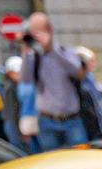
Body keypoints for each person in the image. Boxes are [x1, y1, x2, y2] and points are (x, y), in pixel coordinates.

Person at [16, 12, 92, 150]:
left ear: (50, 30)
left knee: (80, 159)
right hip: (46, 120)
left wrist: (52, 49)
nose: (37, 35)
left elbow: (76, 71)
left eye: (41, 30)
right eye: (34, 31)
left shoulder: (65, 52)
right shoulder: (35, 57)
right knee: (51, 163)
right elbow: (25, 79)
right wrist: (26, 51)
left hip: (72, 119)